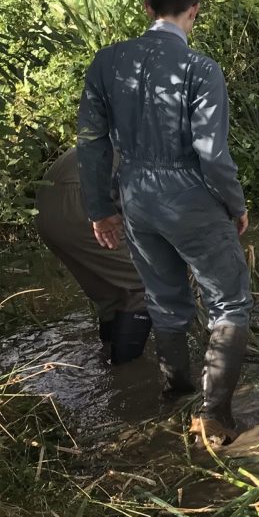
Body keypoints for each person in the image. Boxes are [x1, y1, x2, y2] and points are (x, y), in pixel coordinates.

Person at [77, 0, 252, 445]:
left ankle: (173, 399)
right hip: (191, 197)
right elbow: (212, 153)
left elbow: (91, 143)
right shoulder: (200, 69)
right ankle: (215, 417)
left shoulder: (107, 62)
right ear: (194, 10)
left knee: (165, 301)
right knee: (229, 302)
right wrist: (235, 204)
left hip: (135, 196)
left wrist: (100, 209)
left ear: (148, 9)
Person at [35, 146, 151, 364]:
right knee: (147, 283)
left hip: (45, 206)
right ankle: (127, 374)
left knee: (113, 292)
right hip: (83, 201)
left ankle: (108, 366)